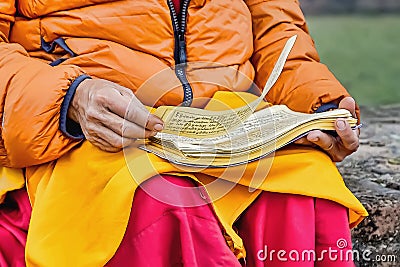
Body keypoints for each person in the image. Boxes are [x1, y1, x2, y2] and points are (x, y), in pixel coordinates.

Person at [0, 0, 368, 266]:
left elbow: (277, 31)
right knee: (160, 200)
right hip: (88, 121)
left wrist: (319, 108)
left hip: (227, 115)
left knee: (305, 187)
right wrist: (70, 98)